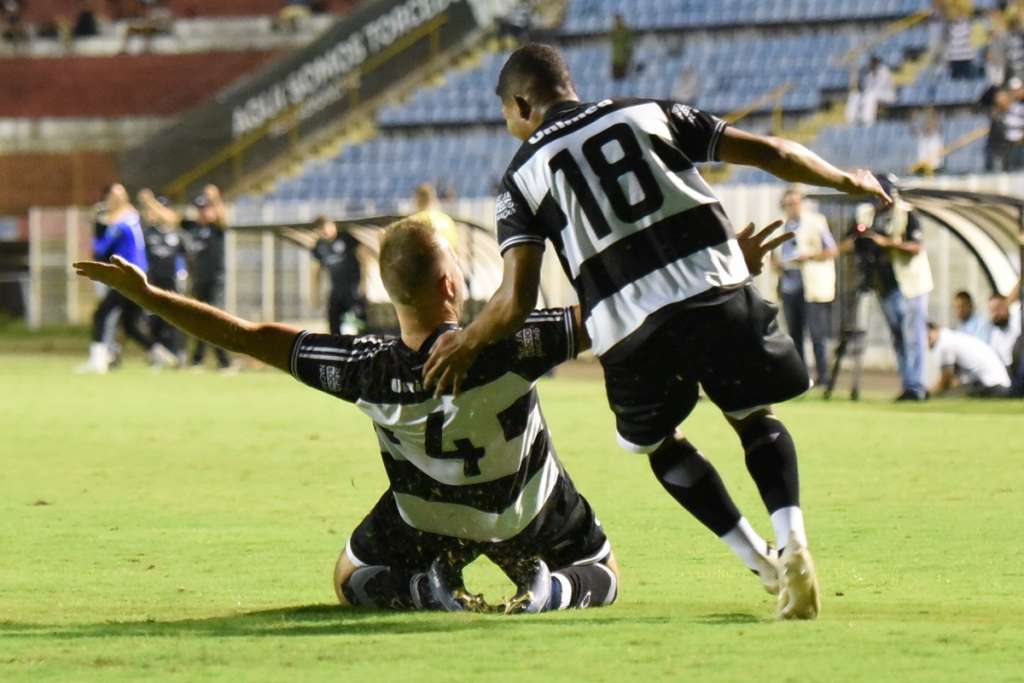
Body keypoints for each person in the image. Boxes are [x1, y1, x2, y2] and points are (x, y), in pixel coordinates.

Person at [423, 43, 893, 620]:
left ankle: (760, 562)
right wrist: (846, 179)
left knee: (662, 444)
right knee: (752, 417)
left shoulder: (522, 176)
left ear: (521, 104)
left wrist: (466, 340)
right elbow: (773, 151)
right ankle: (792, 540)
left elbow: (515, 300)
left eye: (506, 116)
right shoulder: (649, 112)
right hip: (716, 293)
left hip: (628, 329)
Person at [72, 218, 623, 614]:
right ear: (450, 286)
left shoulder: (364, 367)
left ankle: (423, 591)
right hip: (526, 511)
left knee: (350, 577)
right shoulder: (514, 344)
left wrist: (150, 296)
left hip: (427, 523)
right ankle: (554, 592)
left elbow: (245, 336)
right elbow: (611, 312)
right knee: (604, 571)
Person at [842, 177, 933, 401]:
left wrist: (886, 242)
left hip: (911, 285)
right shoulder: (866, 214)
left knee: (914, 337)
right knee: (899, 337)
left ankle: (916, 387)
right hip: (884, 285)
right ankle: (908, 384)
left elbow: (917, 246)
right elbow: (851, 241)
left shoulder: (907, 213)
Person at [78, 183, 176, 374]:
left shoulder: (120, 222)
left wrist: (97, 227)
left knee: (102, 313)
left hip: (127, 276)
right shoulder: (133, 217)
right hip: (140, 274)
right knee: (130, 324)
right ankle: (161, 354)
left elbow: (100, 249)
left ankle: (98, 361)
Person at [772, 186, 837, 387]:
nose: (793, 207)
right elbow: (774, 255)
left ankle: (823, 377)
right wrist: (777, 265)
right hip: (789, 285)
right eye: (788, 204)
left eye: (796, 203)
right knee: (794, 334)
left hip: (812, 285)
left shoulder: (816, 222)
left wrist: (809, 257)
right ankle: (800, 378)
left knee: (817, 334)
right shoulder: (780, 226)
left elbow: (832, 250)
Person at [182, 187, 232, 371]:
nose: (203, 212)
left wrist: (216, 197)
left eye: (206, 208)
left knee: (214, 319)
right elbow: (170, 218)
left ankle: (223, 362)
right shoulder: (193, 227)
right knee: (201, 320)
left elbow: (223, 218)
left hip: (215, 281)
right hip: (199, 281)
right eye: (200, 209)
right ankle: (199, 360)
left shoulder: (216, 228)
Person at [139, 189, 188, 363]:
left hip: (171, 282)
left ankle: (178, 353)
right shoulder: (147, 232)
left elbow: (183, 256)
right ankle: (158, 356)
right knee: (154, 319)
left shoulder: (175, 232)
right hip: (152, 280)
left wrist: (150, 201)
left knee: (174, 318)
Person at [310, 215, 366, 335]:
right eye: (320, 230)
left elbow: (364, 258)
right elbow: (316, 271)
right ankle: (337, 343)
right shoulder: (319, 246)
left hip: (353, 290)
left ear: (332, 225)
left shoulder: (346, 238)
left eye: (325, 227)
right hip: (336, 290)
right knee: (334, 324)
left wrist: (364, 284)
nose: (324, 232)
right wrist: (314, 294)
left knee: (360, 323)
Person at [927, 323, 1012, 397]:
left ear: (935, 329)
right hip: (999, 385)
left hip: (992, 386)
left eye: (927, 336)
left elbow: (945, 381)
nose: (925, 341)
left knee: (949, 396)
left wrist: (928, 393)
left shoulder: (944, 342)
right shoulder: (952, 337)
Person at [846, 55, 896, 126]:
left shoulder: (884, 71)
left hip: (888, 96)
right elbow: (864, 87)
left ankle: (867, 121)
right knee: (854, 95)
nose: (869, 64)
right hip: (874, 95)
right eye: (870, 63)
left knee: (870, 95)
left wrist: (865, 93)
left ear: (877, 63)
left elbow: (879, 87)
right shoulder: (869, 74)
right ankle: (852, 120)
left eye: (872, 63)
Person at [410, 183, 459, 248]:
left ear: (416, 200)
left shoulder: (412, 222)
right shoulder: (448, 220)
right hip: (449, 253)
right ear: (434, 200)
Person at [610, 14, 633, 80]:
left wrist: (629, 55)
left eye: (618, 20)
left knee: (624, 78)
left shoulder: (626, 31)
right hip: (616, 59)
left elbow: (629, 43)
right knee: (616, 78)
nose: (617, 22)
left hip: (624, 58)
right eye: (616, 20)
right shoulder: (614, 31)